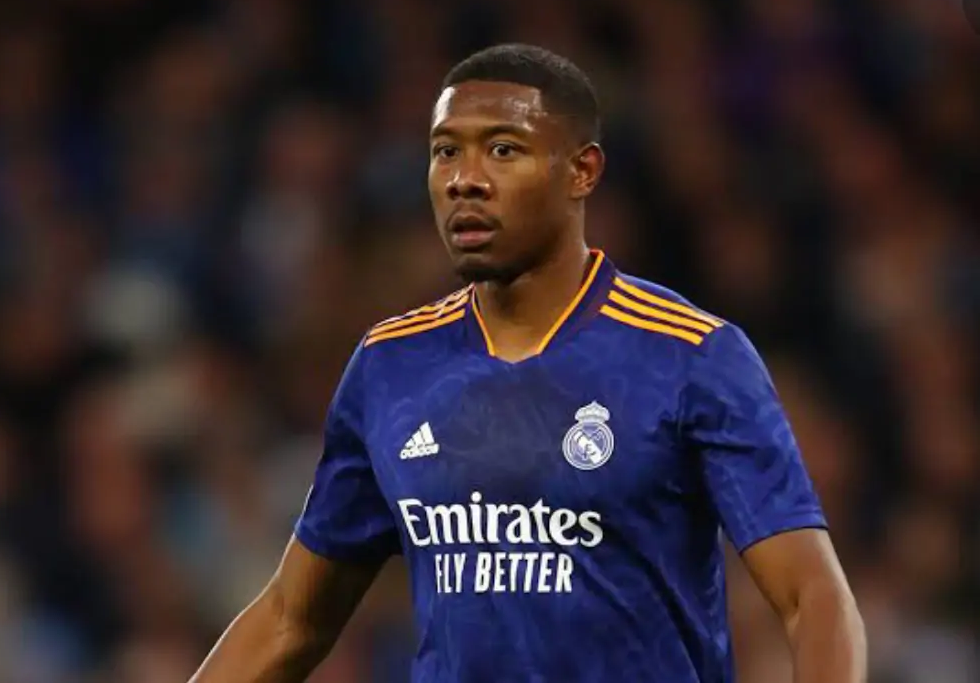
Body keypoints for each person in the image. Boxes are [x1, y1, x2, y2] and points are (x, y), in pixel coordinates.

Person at [188, 44, 866, 682]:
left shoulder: (689, 355)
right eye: (445, 152)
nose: (465, 181)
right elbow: (291, 619)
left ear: (582, 171)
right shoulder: (389, 364)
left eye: (503, 150)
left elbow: (811, 597)